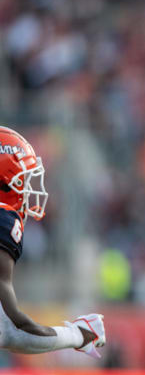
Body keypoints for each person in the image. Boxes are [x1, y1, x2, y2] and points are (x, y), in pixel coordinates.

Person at [0, 126, 106, 357]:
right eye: (23, 179)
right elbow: (12, 326)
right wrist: (76, 336)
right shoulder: (4, 217)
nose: (27, 190)